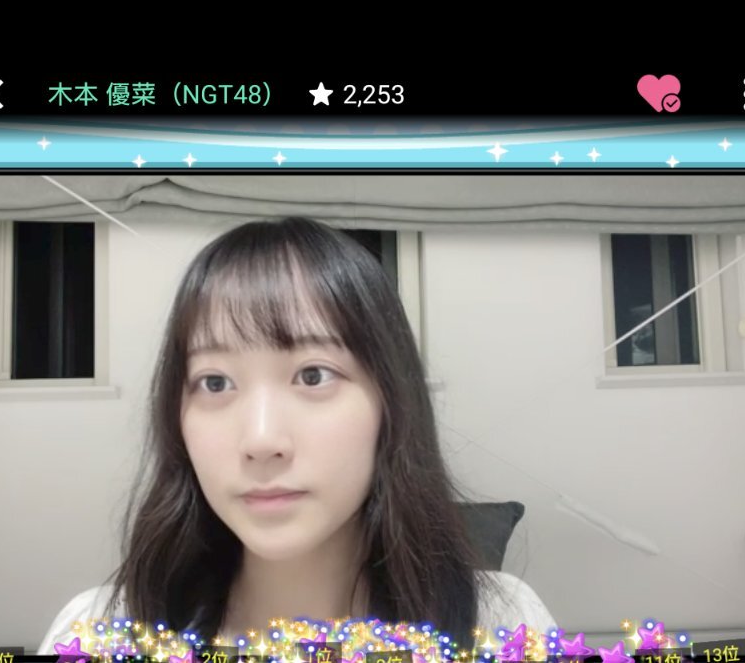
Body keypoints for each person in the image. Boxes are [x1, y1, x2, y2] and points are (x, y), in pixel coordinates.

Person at [38, 217, 555, 655]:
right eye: (215, 382)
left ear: (391, 402)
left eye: (313, 375)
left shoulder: (501, 625)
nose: (262, 440)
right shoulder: (97, 634)